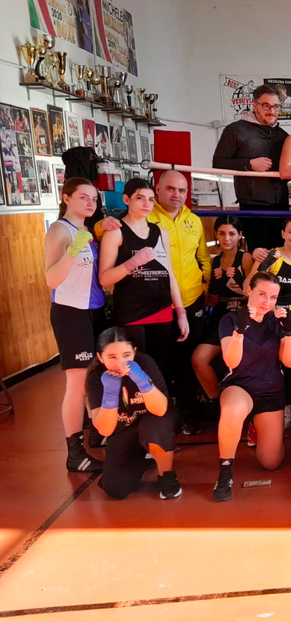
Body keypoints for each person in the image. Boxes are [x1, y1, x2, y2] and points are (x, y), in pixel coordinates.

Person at [213, 271, 291, 502]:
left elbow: (289, 362)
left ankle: (255, 425)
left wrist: (289, 332)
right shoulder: (230, 320)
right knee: (233, 408)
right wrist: (239, 332)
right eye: (262, 294)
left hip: (270, 389)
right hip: (240, 386)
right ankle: (225, 471)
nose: (267, 302)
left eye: (272, 297)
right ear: (249, 291)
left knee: (271, 463)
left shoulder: (276, 320)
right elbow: (232, 362)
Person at [45, 177, 106, 473]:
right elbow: (51, 280)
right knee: (77, 384)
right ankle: (74, 452)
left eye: (93, 198)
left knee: (94, 376)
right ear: (66, 197)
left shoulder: (85, 229)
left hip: (93, 310)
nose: (90, 203)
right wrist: (73, 250)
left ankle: (98, 431)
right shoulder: (60, 229)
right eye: (83, 197)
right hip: (70, 311)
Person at [99, 178, 189, 374]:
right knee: (134, 370)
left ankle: (157, 405)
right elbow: (104, 279)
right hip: (131, 311)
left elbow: (169, 273)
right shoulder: (116, 232)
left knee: (158, 368)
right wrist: (132, 263)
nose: (146, 204)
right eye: (140, 198)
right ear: (126, 199)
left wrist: (181, 312)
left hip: (161, 308)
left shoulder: (161, 232)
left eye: (150, 199)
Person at [147, 170, 212, 429]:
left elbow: (204, 257)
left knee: (187, 361)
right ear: (158, 189)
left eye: (182, 190)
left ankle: (188, 414)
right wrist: (100, 225)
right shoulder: (145, 216)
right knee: (159, 361)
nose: (177, 195)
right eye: (171, 189)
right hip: (158, 303)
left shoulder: (193, 221)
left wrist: (205, 286)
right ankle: (162, 419)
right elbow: (108, 229)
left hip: (192, 300)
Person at [86, 328, 181, 500]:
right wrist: (109, 394)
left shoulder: (144, 363)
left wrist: (143, 381)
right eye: (112, 357)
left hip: (155, 420)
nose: (120, 362)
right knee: (115, 488)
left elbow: (160, 409)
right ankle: (144, 456)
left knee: (153, 427)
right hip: (125, 427)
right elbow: (105, 430)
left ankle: (166, 475)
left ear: (135, 352)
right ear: (100, 357)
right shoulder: (95, 378)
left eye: (126, 355)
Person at [192, 216, 254, 426]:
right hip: (221, 317)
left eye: (232, 234)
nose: (227, 238)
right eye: (222, 233)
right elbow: (212, 300)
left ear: (239, 235)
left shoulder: (246, 258)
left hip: (243, 316)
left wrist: (236, 280)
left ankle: (250, 411)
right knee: (199, 359)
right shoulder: (215, 261)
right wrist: (217, 282)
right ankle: (217, 405)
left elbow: (253, 294)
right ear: (216, 235)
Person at [212, 84, 289, 248]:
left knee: (280, 254)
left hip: (281, 205)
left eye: (276, 106)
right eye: (266, 105)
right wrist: (249, 164)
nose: (271, 111)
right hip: (253, 205)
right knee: (259, 256)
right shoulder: (236, 130)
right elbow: (218, 163)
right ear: (255, 105)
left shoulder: (282, 135)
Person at [247, 217, 291, 327]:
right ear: (283, 234)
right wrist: (264, 266)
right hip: (264, 316)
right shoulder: (270, 255)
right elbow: (246, 289)